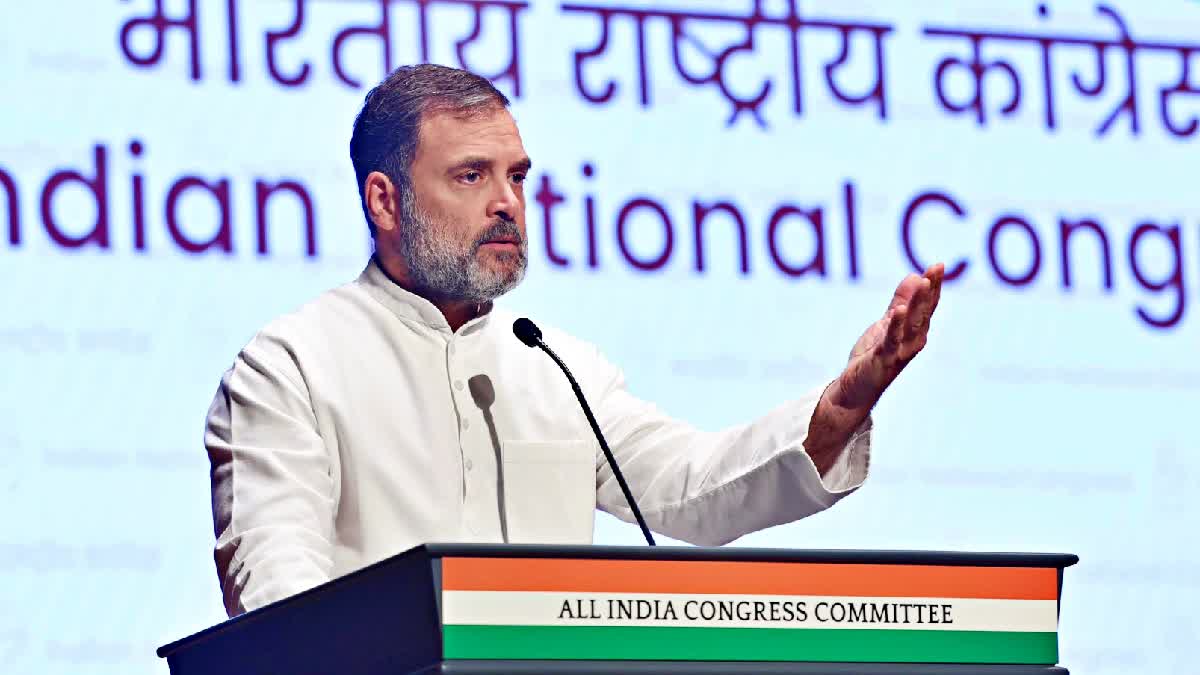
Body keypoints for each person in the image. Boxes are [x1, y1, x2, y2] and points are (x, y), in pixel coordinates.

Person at [205, 64, 944, 617]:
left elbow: (696, 487)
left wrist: (843, 404)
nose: (507, 203)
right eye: (471, 175)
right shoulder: (292, 367)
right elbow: (278, 601)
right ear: (385, 200)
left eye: (517, 177)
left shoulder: (552, 365)